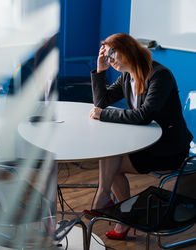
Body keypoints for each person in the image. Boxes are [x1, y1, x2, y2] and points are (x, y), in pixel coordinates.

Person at [83, 33, 193, 240]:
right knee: (110, 156)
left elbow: (144, 115)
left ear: (128, 51)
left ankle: (107, 203)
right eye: (106, 55)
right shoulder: (127, 76)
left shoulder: (159, 75)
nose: (110, 59)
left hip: (169, 148)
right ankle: (121, 212)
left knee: (112, 163)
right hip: (146, 144)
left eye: (112, 53)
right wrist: (100, 70)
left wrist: (104, 114)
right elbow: (101, 102)